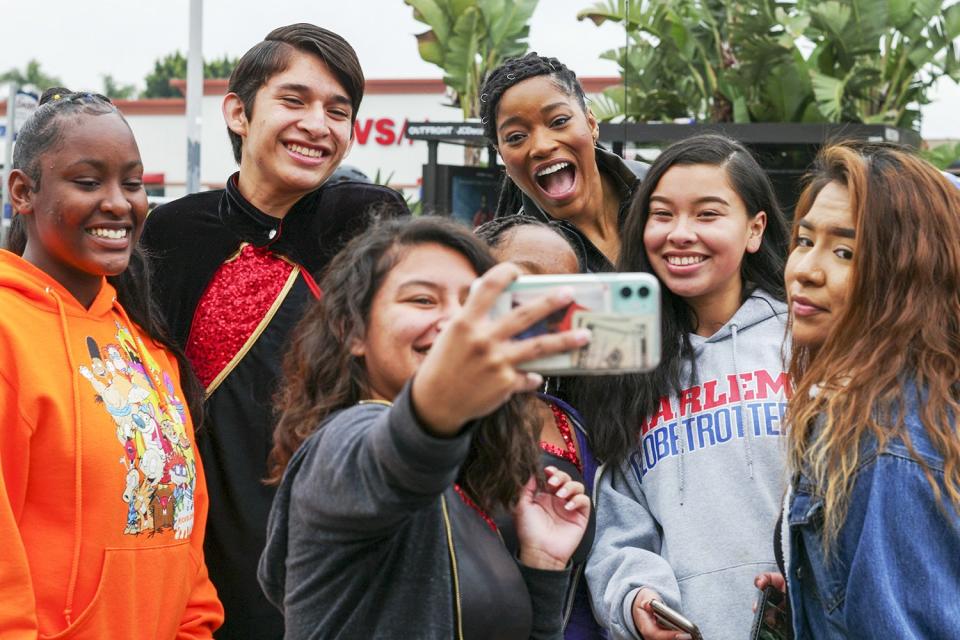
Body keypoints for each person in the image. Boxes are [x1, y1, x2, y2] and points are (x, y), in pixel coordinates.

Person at [140, 24, 408, 639]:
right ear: (238, 111)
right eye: (295, 100)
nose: (318, 125)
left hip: (350, 561)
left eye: (338, 111)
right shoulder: (171, 237)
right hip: (207, 570)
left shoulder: (372, 230)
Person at [258, 216, 592, 639]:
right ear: (351, 331)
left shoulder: (465, 487)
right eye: (422, 300)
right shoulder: (342, 446)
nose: (456, 322)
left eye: (473, 305)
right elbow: (395, 455)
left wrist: (542, 564)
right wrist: (435, 410)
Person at [0, 89, 223, 637]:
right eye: (87, 181)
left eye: (132, 182)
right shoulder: (7, 332)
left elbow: (183, 536)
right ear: (24, 192)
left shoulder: (148, 351)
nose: (119, 203)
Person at [585, 135, 791, 640]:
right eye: (662, 214)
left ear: (754, 229)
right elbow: (619, 521)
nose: (680, 234)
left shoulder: (804, 342)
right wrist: (635, 598)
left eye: (707, 214)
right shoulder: (624, 358)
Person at [754, 141, 960, 637]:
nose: (806, 270)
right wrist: (818, 589)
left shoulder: (887, 442)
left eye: (845, 251)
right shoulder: (882, 402)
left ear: (909, 275)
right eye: (804, 241)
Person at [476, 215, 603, 639]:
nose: (545, 308)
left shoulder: (573, 424)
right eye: (525, 284)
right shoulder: (440, 419)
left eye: (562, 297)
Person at [478, 53, 647, 272]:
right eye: (516, 137)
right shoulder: (511, 257)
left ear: (591, 123)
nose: (542, 146)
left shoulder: (662, 190)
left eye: (559, 121)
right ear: (502, 157)